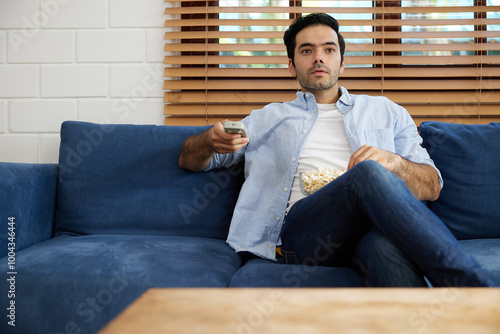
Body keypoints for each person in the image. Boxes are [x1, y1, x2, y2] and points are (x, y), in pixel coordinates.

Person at [178, 13, 494, 287]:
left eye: (329, 49)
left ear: (342, 61)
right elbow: (190, 160)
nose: (319, 57)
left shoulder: (386, 111)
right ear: (291, 65)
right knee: (366, 173)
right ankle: (473, 289)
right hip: (305, 237)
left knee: (385, 249)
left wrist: (395, 163)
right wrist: (208, 141)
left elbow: (432, 187)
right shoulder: (266, 119)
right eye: (307, 50)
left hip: (374, 230)